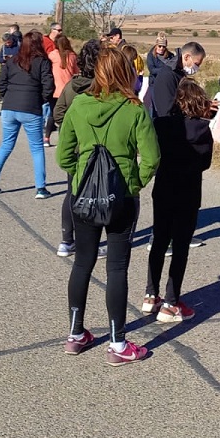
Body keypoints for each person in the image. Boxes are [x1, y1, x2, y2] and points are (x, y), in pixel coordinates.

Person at [58, 49, 160, 364]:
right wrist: (133, 184)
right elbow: (152, 157)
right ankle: (117, 343)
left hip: (84, 196)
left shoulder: (79, 105)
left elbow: (63, 156)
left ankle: (76, 334)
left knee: (82, 263)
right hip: (121, 198)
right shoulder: (134, 109)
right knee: (116, 267)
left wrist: (80, 177)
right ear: (126, 73)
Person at [142, 77, 215, 322]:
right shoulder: (202, 129)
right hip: (188, 191)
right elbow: (205, 162)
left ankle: (150, 294)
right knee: (180, 247)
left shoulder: (160, 124)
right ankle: (171, 301)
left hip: (164, 188)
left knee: (159, 240)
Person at [0, 30, 55, 198]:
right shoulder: (42, 61)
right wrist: (40, 99)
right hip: (31, 107)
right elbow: (48, 86)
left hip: (9, 107)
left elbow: (1, 84)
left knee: (6, 145)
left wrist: (7, 96)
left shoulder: (12, 60)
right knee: (36, 148)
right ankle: (40, 188)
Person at [53, 39, 101, 258]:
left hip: (74, 149)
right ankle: (90, 242)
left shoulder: (72, 85)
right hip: (96, 148)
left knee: (72, 191)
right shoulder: (101, 88)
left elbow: (58, 113)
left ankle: (67, 240)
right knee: (96, 194)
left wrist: (70, 132)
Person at [148, 41, 206, 120]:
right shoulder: (167, 76)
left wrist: (203, 104)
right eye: (196, 64)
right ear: (187, 57)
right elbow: (167, 111)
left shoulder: (180, 73)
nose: (197, 68)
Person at [44, 34, 78, 144]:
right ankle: (63, 140)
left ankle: (47, 138)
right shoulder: (72, 56)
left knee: (53, 114)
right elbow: (76, 72)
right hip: (68, 90)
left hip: (55, 90)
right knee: (67, 115)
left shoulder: (52, 55)